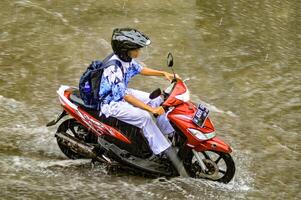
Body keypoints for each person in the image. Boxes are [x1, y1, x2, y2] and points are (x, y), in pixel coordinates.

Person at [98, 28, 188, 177]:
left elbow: (140, 69)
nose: (139, 51)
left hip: (121, 93)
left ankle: (170, 134)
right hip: (111, 103)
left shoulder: (125, 59)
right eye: (136, 49)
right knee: (145, 117)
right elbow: (125, 97)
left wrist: (163, 73)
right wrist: (150, 110)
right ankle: (163, 152)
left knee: (157, 100)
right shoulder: (113, 67)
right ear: (126, 50)